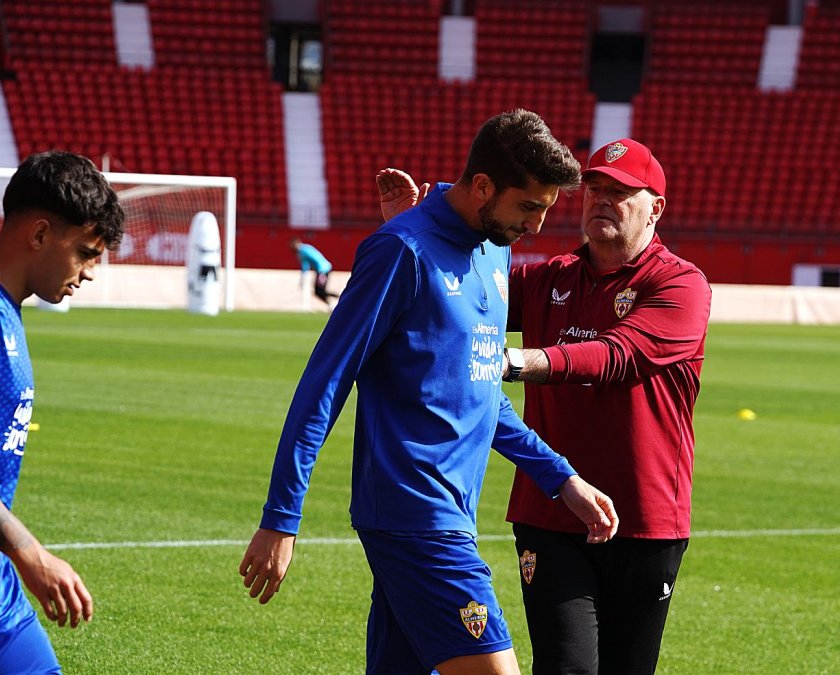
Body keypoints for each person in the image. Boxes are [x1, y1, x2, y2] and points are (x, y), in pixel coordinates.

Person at [239, 110, 620, 675]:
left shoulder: (494, 247)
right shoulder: (401, 250)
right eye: (529, 207)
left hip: (451, 510)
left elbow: (482, 388)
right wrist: (281, 516)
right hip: (414, 513)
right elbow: (324, 383)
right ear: (484, 187)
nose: (537, 227)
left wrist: (559, 477)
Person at [377, 137, 711, 674]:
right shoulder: (546, 279)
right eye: (594, 188)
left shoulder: (681, 285)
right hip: (550, 513)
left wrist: (514, 361)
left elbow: (616, 355)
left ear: (656, 208)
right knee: (567, 668)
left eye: (621, 192)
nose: (602, 199)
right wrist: (409, 230)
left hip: (646, 518)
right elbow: (451, 296)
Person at [0, 151, 125, 673]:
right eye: (86, 252)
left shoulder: (3, 309)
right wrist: (29, 551)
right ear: (41, 234)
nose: (90, 272)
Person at [289, 237, 339, 306]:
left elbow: (305, 266)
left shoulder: (302, 251)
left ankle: (338, 299)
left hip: (323, 270)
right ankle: (332, 303)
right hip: (322, 270)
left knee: (319, 291)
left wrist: (302, 278)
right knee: (318, 292)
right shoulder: (307, 248)